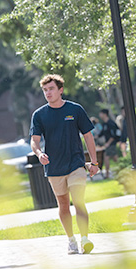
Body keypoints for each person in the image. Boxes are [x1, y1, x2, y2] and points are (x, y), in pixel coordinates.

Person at [29, 74, 99, 255]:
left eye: (51, 89)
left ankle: (85, 239)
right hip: (54, 167)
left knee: (79, 201)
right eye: (45, 90)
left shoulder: (75, 110)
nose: (48, 93)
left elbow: (88, 136)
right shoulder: (39, 115)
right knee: (63, 205)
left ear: (60, 90)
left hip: (76, 164)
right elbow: (34, 141)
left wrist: (94, 162)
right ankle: (71, 240)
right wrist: (39, 153)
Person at [98, 109, 121, 179]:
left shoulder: (110, 123)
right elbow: (102, 133)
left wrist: (108, 143)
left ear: (105, 114)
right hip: (109, 143)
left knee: (106, 157)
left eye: (101, 113)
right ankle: (122, 169)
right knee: (115, 158)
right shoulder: (104, 123)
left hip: (111, 143)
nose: (99, 115)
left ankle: (107, 175)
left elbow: (113, 135)